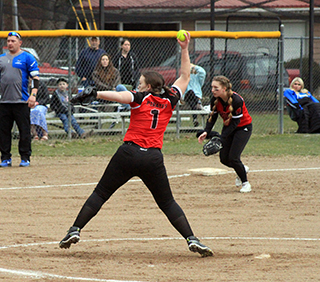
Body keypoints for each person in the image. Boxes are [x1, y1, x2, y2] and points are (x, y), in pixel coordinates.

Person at [59, 31, 213, 257]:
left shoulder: (140, 98)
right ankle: (192, 238)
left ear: (149, 87)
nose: (138, 86)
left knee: (101, 193)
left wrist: (94, 94)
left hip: (129, 154)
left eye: (141, 83)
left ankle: (75, 229)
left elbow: (120, 97)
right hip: (152, 158)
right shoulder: (170, 99)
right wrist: (184, 48)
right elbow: (185, 76)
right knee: (168, 203)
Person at [197, 75, 252, 193]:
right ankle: (241, 169)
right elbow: (213, 117)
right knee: (224, 159)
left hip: (243, 128)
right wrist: (206, 131)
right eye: (212, 87)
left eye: (216, 88)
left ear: (224, 89)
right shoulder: (215, 100)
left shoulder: (237, 100)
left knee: (233, 157)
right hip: (229, 128)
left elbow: (235, 122)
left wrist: (222, 138)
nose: (213, 90)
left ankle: (245, 183)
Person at [0, 32, 39, 167]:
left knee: (24, 130)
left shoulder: (27, 57)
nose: (10, 43)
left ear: (20, 43)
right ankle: (5, 157)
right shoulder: (2, 59)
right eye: (8, 41)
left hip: (21, 101)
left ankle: (25, 157)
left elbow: (35, 78)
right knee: (4, 131)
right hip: (4, 101)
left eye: (13, 41)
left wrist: (33, 95)